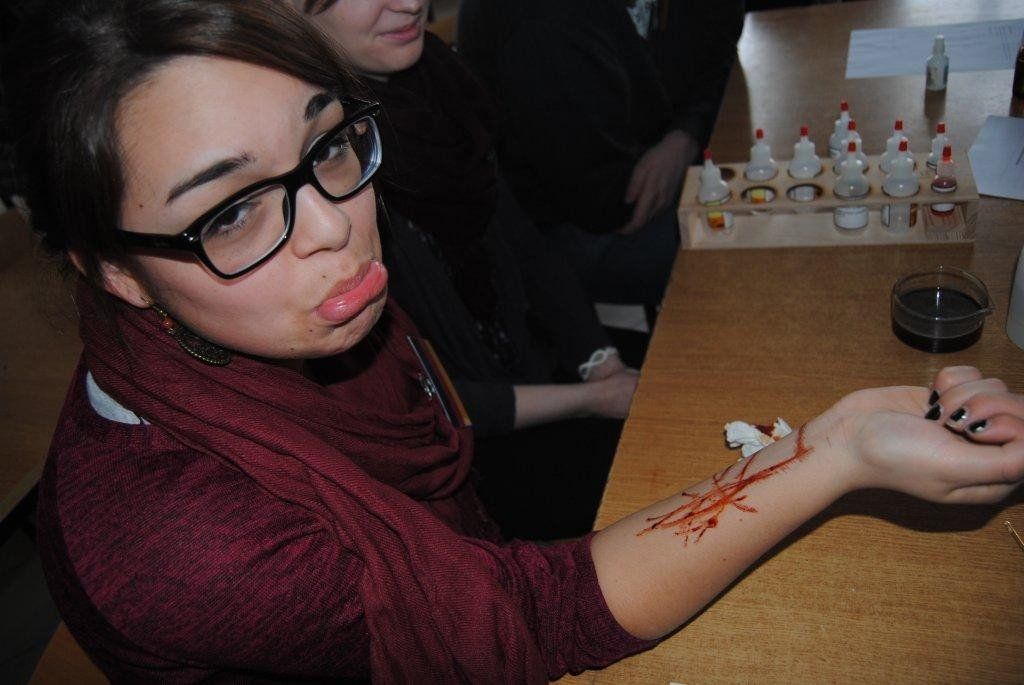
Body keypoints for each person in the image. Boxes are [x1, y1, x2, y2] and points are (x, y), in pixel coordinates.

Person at [6, 0, 1023, 682]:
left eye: (328, 143)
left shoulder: (274, 304)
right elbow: (523, 622)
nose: (334, 226)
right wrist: (836, 447)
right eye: (228, 211)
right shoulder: (185, 540)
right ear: (113, 269)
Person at [294, 0, 639, 539]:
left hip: (538, 365)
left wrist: (599, 362)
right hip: (466, 468)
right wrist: (590, 399)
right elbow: (419, 395)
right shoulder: (322, 173)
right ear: (294, 13)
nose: (411, 3)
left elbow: (527, 245)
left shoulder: (444, 84)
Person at [457, 0, 745, 309]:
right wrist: (680, 144)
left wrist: (685, 136)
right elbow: (607, 204)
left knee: (758, 208)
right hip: (564, 233)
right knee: (745, 244)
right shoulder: (541, 26)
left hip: (631, 169)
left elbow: (720, 48)